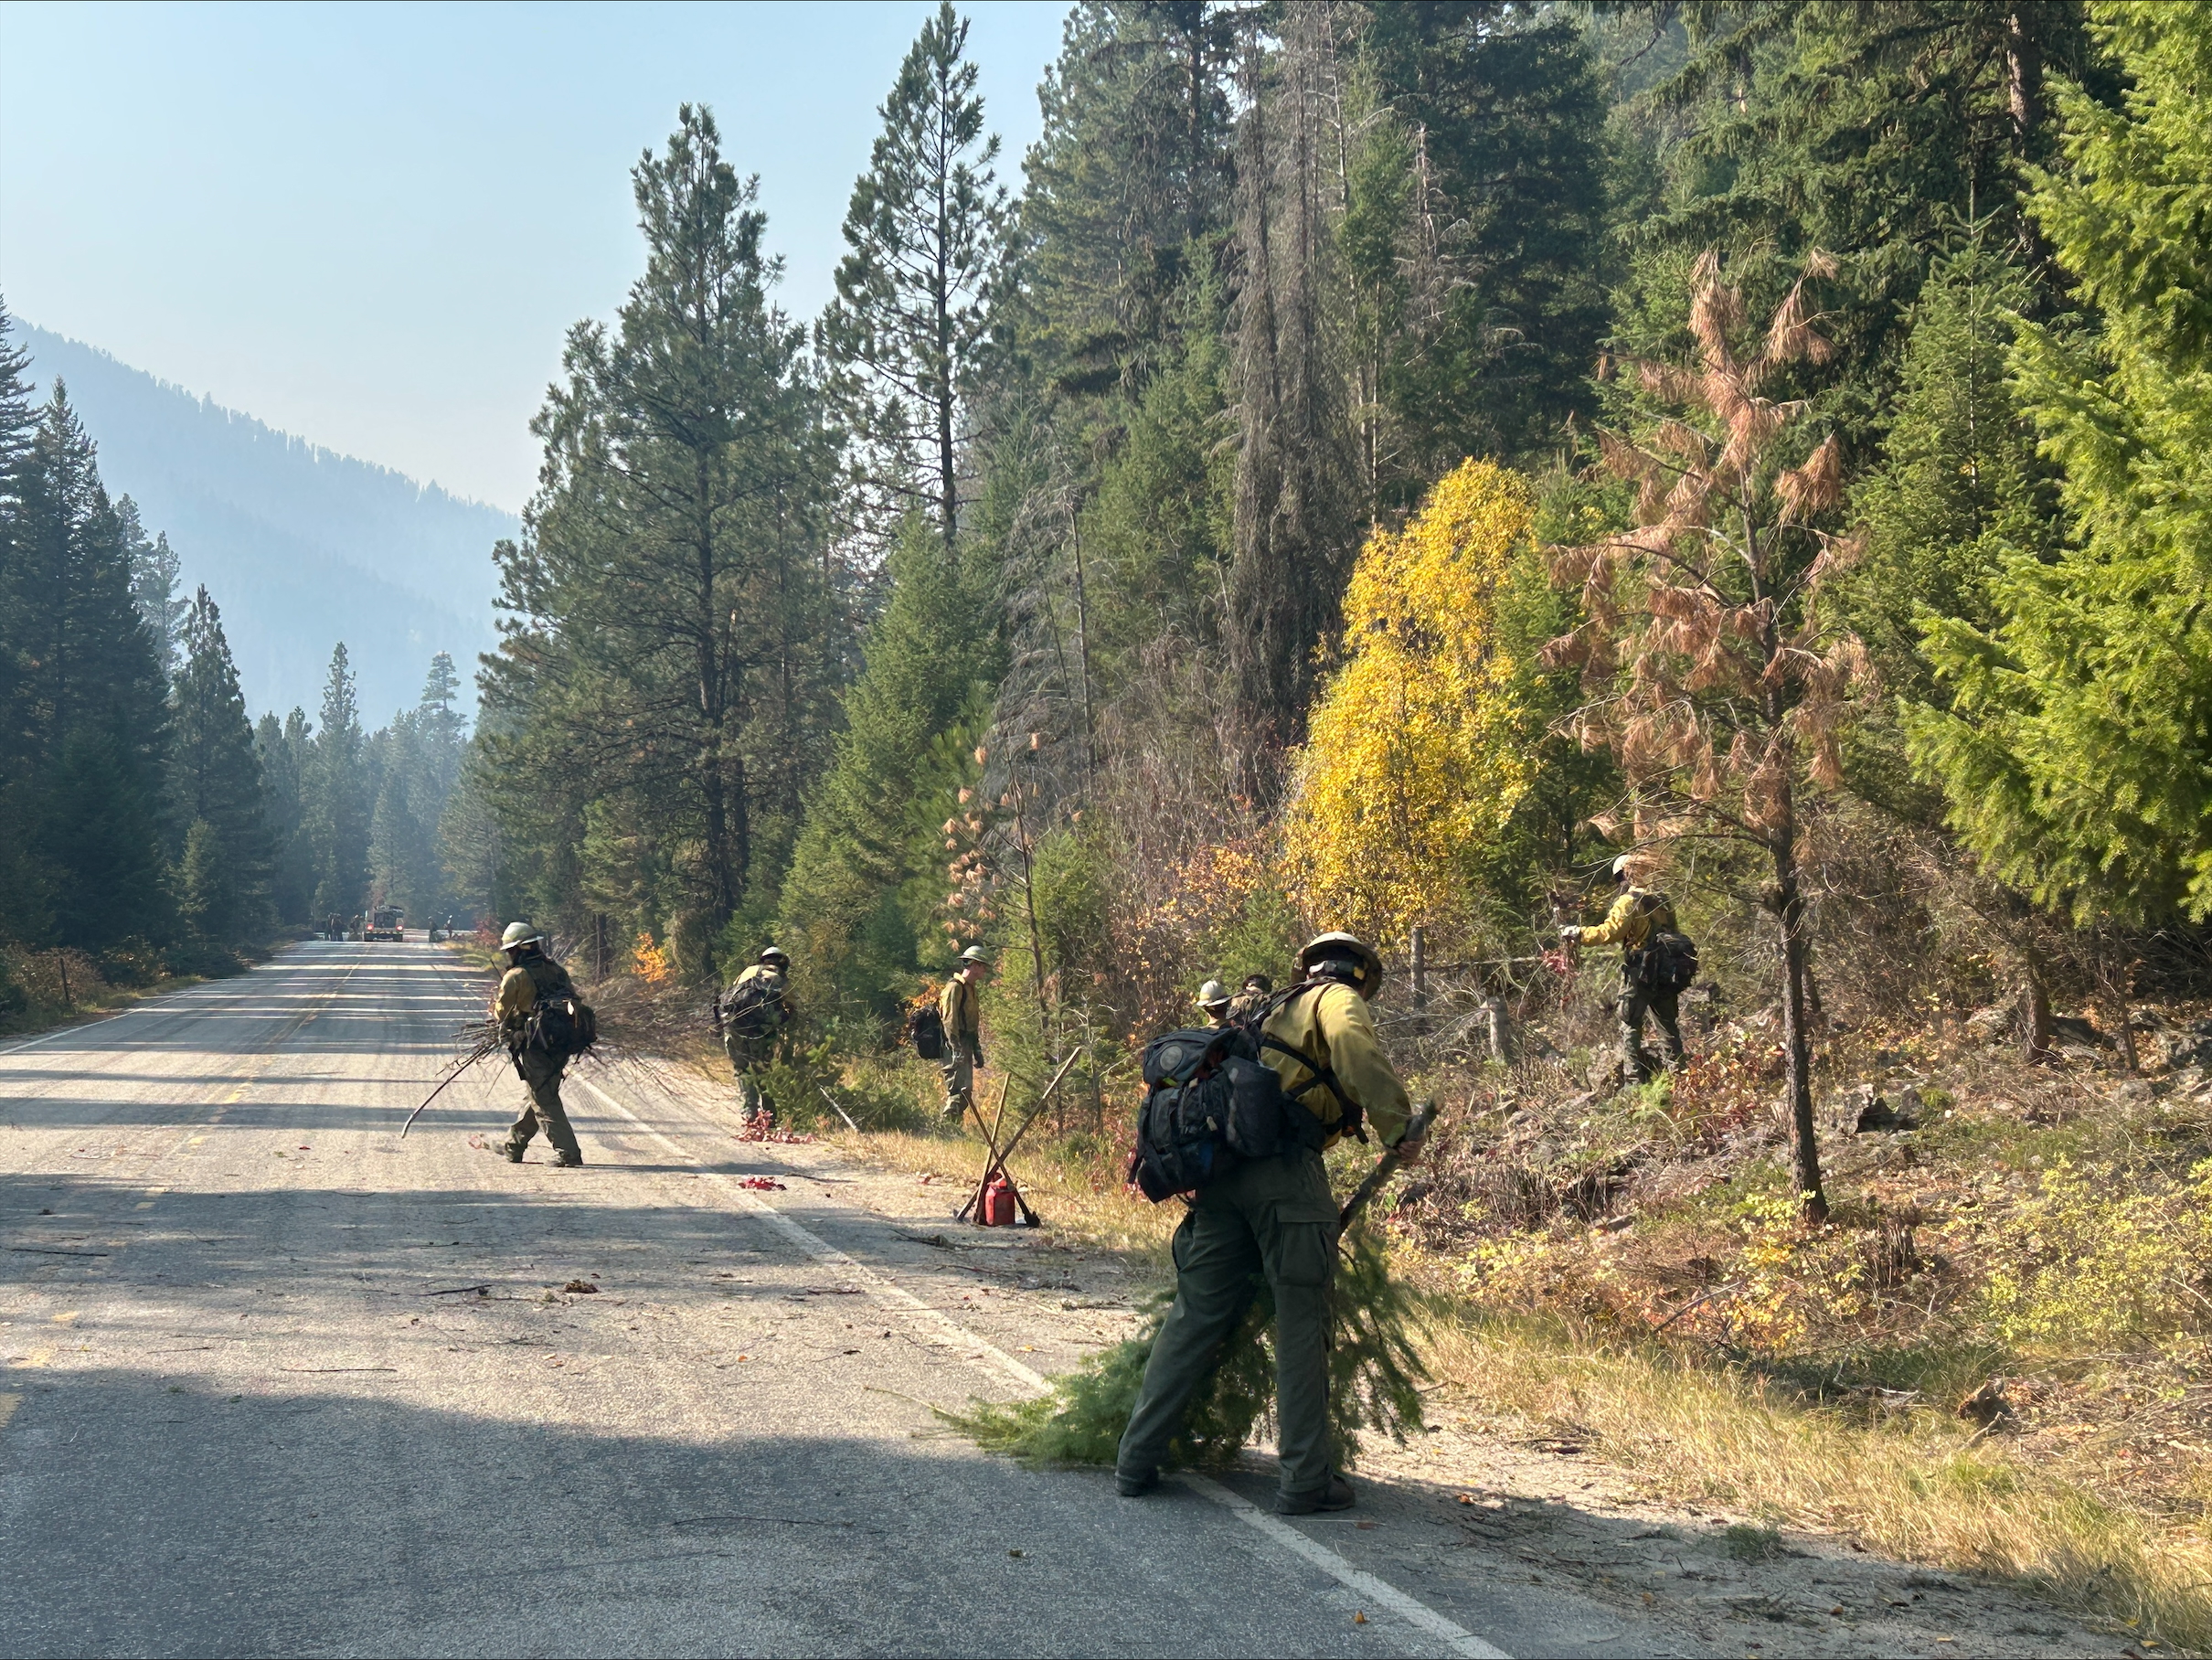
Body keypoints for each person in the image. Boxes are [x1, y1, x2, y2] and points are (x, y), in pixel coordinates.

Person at [1116, 931, 1423, 1517]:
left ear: (1309, 965)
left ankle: (1134, 1460)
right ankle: (1305, 1480)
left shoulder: (1267, 1011)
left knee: (1194, 1317)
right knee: (1302, 1323)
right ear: (1360, 975)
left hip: (1223, 1180)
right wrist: (1396, 1126)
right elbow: (1356, 1051)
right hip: (1286, 1176)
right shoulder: (1334, 999)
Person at [1561, 854, 1686, 1081]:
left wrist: (1578, 933)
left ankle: (1634, 1082)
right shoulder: (1663, 900)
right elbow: (1675, 932)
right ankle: (1681, 1078)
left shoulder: (1627, 902)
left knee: (1630, 1023)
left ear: (1624, 876)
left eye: (1619, 878)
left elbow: (1609, 933)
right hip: (1667, 971)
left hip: (1640, 971)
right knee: (1667, 1025)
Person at [491, 920, 585, 1167]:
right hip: (563, 1041)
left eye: (511, 950)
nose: (510, 954)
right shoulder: (557, 970)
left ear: (520, 949)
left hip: (535, 1043)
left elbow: (501, 1013)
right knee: (540, 1091)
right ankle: (514, 1146)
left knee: (544, 1099)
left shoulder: (517, 976)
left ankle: (568, 1152)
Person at [720, 945, 795, 1129]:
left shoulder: (748, 971)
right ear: (782, 963)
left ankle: (750, 1114)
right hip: (760, 1032)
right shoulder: (781, 979)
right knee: (763, 1070)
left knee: (742, 1070)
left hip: (733, 1026)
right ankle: (769, 1116)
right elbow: (793, 1008)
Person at [938, 946, 992, 1120]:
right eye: (983, 966)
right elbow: (949, 1020)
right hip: (954, 1044)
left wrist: (977, 1050)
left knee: (965, 1091)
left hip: (965, 1044)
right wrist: (956, 1049)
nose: (984, 970)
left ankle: (953, 1126)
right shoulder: (955, 988)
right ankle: (945, 1128)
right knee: (957, 1089)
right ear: (975, 965)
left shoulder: (971, 989)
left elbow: (972, 1023)